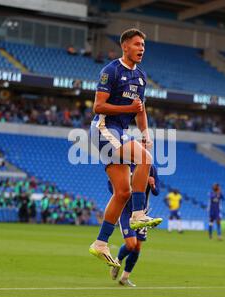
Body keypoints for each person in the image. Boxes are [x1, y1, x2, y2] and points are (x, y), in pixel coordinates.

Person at [88, 28, 162, 268]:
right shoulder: (111, 71)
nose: (141, 49)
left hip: (119, 132)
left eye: (144, 45)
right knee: (145, 159)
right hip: (103, 129)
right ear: (125, 46)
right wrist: (127, 110)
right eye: (137, 44)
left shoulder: (141, 76)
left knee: (122, 192)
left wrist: (145, 134)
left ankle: (100, 242)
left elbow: (140, 108)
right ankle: (138, 214)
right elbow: (98, 107)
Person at [110, 165, 160, 287]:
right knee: (131, 244)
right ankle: (117, 260)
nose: (144, 145)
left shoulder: (151, 168)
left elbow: (156, 191)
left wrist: (153, 185)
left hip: (142, 213)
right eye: (142, 143)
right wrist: (126, 187)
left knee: (137, 247)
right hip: (126, 211)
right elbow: (110, 184)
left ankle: (124, 278)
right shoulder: (125, 164)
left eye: (147, 143)